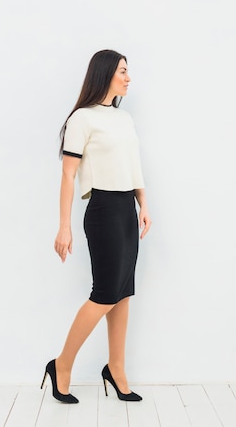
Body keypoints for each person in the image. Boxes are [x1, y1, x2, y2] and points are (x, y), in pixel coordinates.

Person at [40, 49, 151, 404]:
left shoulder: (124, 119)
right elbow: (68, 175)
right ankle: (62, 365)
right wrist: (64, 227)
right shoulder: (82, 119)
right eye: (122, 71)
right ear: (105, 74)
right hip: (102, 208)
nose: (128, 77)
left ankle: (116, 369)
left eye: (128, 71)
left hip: (126, 208)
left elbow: (134, 165)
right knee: (105, 292)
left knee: (123, 291)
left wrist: (143, 204)